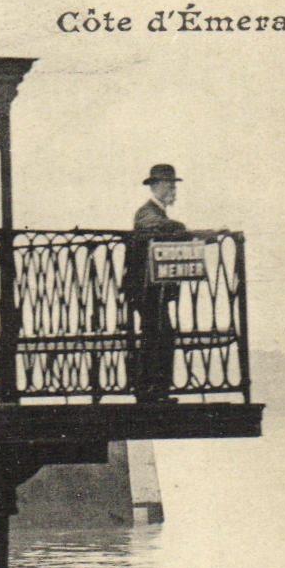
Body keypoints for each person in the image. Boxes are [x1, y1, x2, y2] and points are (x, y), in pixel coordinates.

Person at [122, 164, 189, 402]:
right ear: (155, 186)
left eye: (173, 184)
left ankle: (155, 389)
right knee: (157, 334)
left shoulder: (159, 213)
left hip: (152, 287)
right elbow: (154, 225)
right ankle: (150, 389)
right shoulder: (147, 212)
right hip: (145, 287)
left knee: (158, 333)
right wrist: (179, 228)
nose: (172, 188)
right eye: (168, 184)